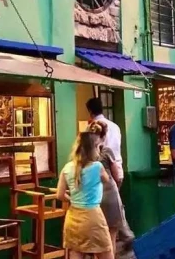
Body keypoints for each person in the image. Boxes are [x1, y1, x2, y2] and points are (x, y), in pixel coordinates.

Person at [57, 132, 114, 259]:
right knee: (106, 252)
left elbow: (59, 195)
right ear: (93, 148)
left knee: (76, 252)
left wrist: (72, 199)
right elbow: (106, 180)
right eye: (98, 147)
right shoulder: (98, 167)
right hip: (93, 217)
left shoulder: (67, 168)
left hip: (73, 217)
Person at [88, 121, 127, 255]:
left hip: (92, 198)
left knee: (96, 239)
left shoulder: (84, 154)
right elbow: (117, 175)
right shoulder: (107, 151)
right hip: (110, 195)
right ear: (104, 136)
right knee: (111, 236)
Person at [86, 98, 123, 186]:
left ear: (90, 111)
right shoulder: (115, 127)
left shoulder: (90, 128)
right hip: (118, 171)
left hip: (102, 173)